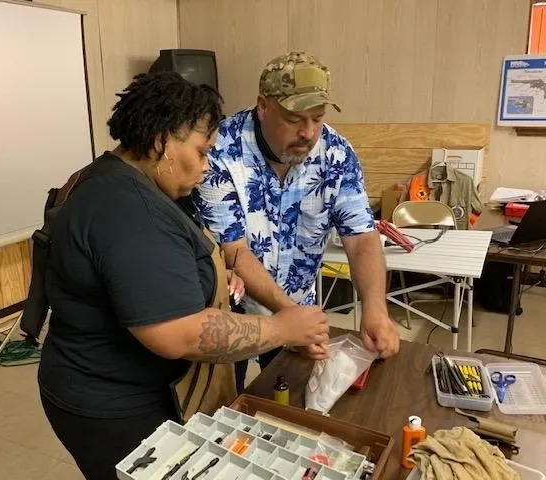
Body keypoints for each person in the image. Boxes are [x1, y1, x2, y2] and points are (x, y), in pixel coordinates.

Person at [37, 71, 330, 479]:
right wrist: (281, 328)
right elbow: (178, 333)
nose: (207, 167)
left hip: (91, 383)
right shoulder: (131, 210)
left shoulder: (114, 176)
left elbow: (142, 273)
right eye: (202, 151)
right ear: (162, 141)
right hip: (113, 404)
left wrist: (211, 283)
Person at [193, 50, 400, 392]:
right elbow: (234, 251)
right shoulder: (220, 150)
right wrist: (292, 318)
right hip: (231, 315)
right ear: (263, 106)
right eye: (294, 119)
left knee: (296, 406)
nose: (308, 133)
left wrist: (375, 307)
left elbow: (362, 236)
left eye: (316, 118)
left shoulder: (335, 153)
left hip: (297, 307)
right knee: (228, 407)